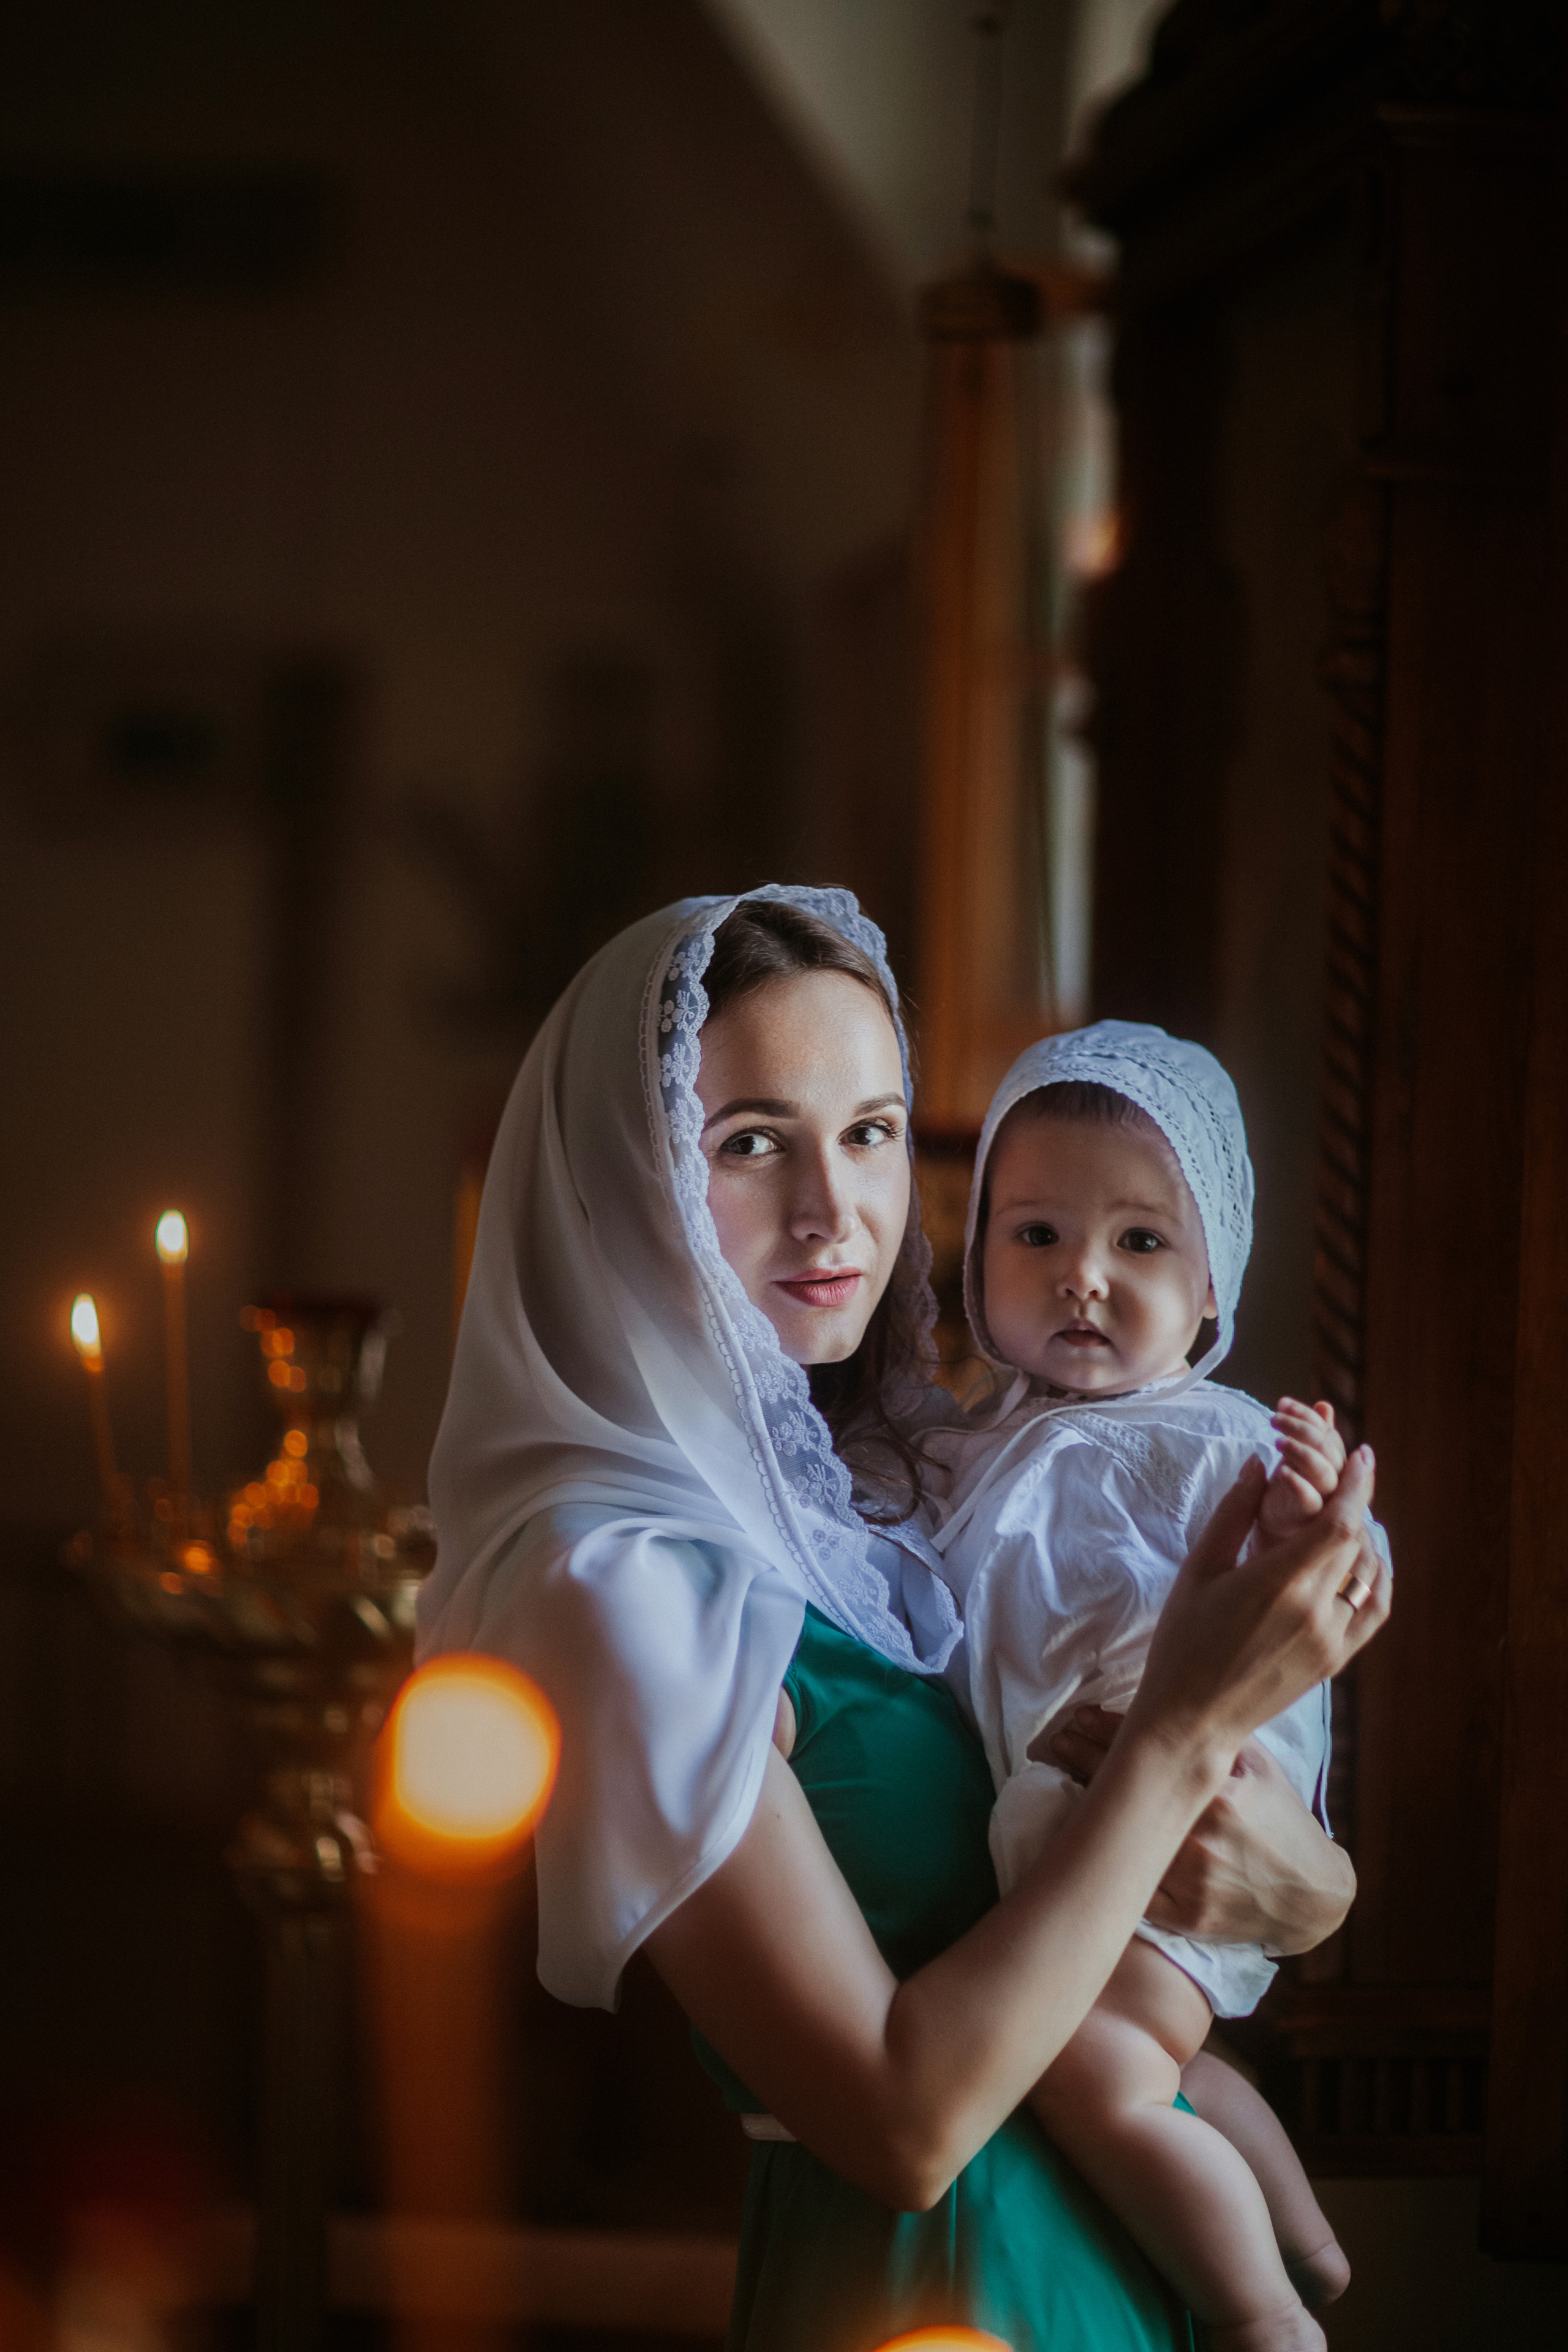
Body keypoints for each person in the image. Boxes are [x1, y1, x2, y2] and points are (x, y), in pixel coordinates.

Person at [418, 890, 1389, 2352]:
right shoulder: (614, 1583)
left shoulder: (889, 1498)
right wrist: (1180, 1733)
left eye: (871, 1130)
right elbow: (902, 2125)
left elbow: (1193, 1856)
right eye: (751, 1142)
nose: (834, 1211)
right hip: (927, 2289)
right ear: (625, 1174)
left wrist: (1310, 1886)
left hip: (1116, 2269)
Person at [929, 1024, 1385, 2350]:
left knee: (1094, 2065)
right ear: (975, 1261)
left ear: (1206, 1293)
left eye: (1137, 1243)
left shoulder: (1214, 1439)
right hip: (1078, 1836)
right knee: (1165, 2064)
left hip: (1189, 1828)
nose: (1080, 1276)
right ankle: (1300, 2235)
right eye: (1032, 1235)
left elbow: (1343, 1576)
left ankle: (1257, 2313)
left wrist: (1306, 1517)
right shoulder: (967, 1449)